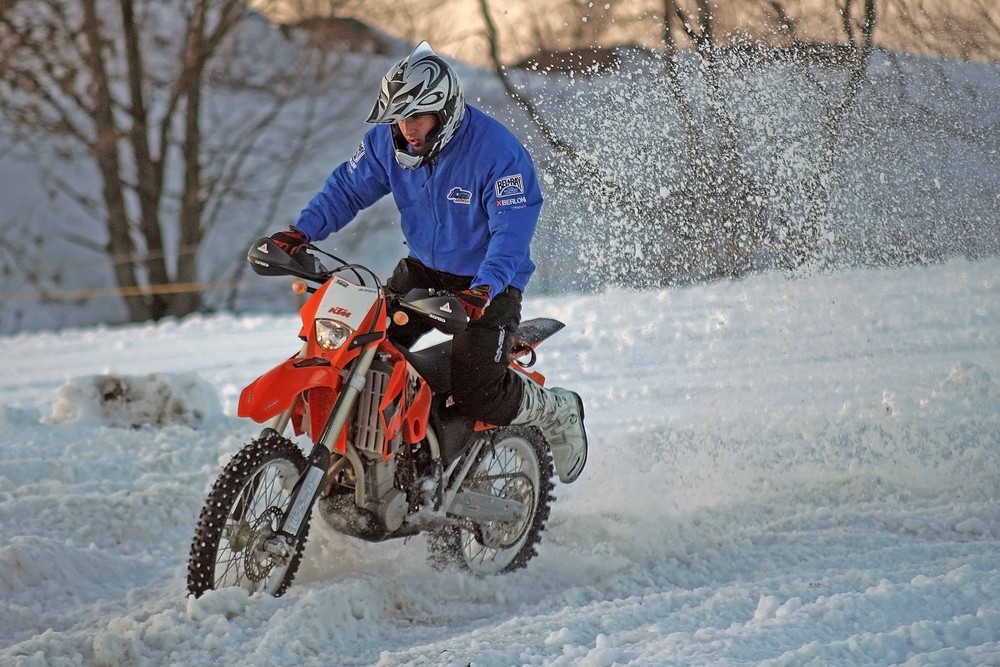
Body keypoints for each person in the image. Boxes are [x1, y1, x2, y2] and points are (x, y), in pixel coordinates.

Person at [268, 42, 587, 483]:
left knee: (479, 393)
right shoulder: (389, 141)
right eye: (398, 117)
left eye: (417, 117)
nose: (407, 129)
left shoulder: (498, 152)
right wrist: (301, 232)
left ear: (447, 110)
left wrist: (483, 289)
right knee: (355, 353)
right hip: (423, 270)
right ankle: (383, 457)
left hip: (487, 284)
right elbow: (348, 189)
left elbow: (510, 231)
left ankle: (556, 409)